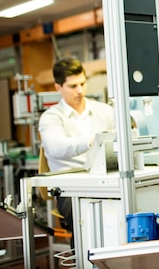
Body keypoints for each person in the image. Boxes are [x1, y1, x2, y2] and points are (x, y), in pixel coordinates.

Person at [38, 57, 116, 245]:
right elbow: (56, 148)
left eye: (82, 83)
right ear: (58, 88)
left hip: (106, 181)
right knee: (84, 217)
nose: (80, 91)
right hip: (70, 188)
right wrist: (92, 141)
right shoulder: (51, 118)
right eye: (73, 86)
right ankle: (84, 259)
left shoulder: (105, 111)